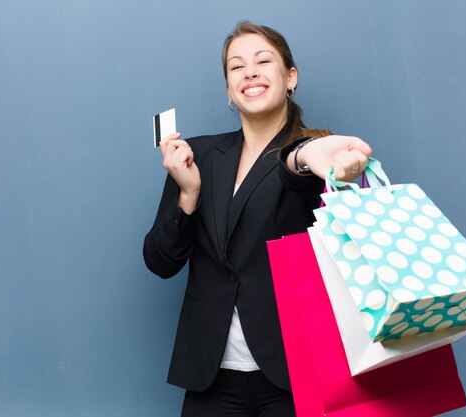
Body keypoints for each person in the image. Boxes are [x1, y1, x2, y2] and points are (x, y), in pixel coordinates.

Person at [143, 21, 372, 417]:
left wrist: (307, 157)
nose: (249, 71)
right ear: (229, 88)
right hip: (211, 377)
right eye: (237, 66)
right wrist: (188, 193)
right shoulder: (197, 158)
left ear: (290, 77)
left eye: (263, 61)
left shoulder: (317, 154)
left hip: (297, 376)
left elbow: (292, 170)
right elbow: (160, 263)